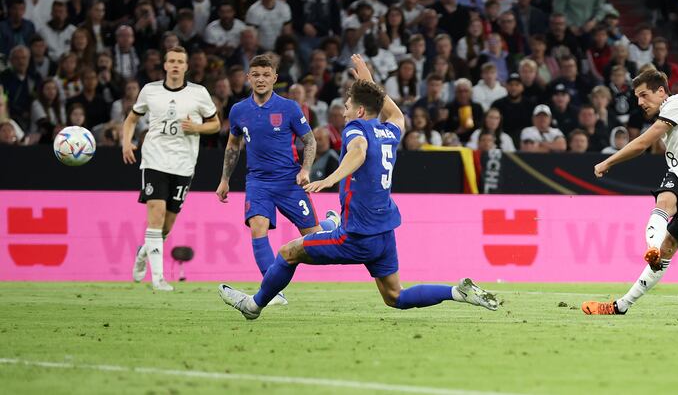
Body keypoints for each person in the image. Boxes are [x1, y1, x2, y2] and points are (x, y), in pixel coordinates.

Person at [218, 54, 499, 319]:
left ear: (360, 110)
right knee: (395, 296)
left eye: (349, 104)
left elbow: (359, 151)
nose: (344, 110)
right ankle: (456, 291)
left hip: (357, 236)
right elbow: (394, 112)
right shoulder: (390, 130)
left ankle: (253, 305)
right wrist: (368, 79)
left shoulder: (356, 129)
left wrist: (331, 178)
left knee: (288, 253)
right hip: (384, 231)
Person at [582, 69, 678, 315]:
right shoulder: (672, 113)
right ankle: (653, 248)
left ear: (661, 92)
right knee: (664, 201)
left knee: (670, 248)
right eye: (637, 97)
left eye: (644, 95)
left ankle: (622, 305)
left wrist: (608, 162)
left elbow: (642, 144)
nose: (639, 102)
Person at [215, 54, 339, 304]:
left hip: (288, 181)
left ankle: (329, 226)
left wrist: (305, 169)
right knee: (257, 228)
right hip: (258, 182)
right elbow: (233, 146)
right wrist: (224, 179)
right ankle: (273, 293)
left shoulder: (289, 108)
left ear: (274, 78)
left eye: (266, 75)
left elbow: (310, 141)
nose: (261, 79)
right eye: (256, 75)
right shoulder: (239, 110)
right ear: (249, 78)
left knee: (313, 240)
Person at [122, 46, 221, 292]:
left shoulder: (199, 94)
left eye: (180, 61)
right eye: (172, 61)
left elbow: (216, 124)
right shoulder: (150, 91)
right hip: (154, 160)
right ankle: (158, 278)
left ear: (186, 66)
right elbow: (132, 118)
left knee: (166, 226)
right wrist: (126, 142)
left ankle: (144, 251)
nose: (176, 65)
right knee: (155, 216)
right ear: (165, 65)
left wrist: (196, 128)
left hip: (184, 165)